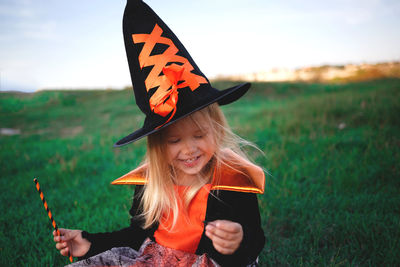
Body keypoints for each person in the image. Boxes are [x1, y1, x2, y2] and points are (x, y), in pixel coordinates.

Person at [53, 0, 265, 266]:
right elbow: (137, 235)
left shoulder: (233, 178)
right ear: (157, 146)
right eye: (174, 140)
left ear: (217, 129)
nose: (188, 149)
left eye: (199, 135)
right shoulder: (151, 181)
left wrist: (238, 241)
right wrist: (91, 242)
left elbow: (255, 239)